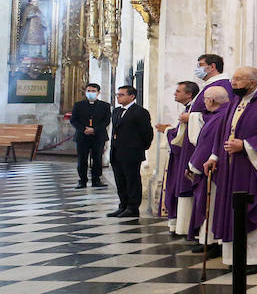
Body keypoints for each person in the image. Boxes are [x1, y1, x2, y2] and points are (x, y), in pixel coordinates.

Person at [199, 67, 257, 271]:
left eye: (237, 80)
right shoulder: (237, 101)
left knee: (253, 210)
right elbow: (224, 131)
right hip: (231, 166)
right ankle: (236, 257)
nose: (233, 83)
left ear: (252, 82)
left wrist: (245, 145)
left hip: (255, 167)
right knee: (233, 210)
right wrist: (214, 155)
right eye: (233, 79)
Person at [173, 54, 234, 239]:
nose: (197, 68)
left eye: (200, 65)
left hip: (206, 148)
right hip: (199, 144)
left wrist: (190, 117)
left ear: (212, 67)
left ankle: (207, 236)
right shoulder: (209, 86)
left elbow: (219, 116)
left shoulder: (222, 86)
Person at [184, 86, 231, 254]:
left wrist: (193, 166)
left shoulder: (218, 118)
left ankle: (212, 241)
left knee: (210, 205)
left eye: (205, 100)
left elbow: (207, 145)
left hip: (212, 170)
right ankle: (208, 240)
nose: (204, 103)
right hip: (213, 167)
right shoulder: (220, 115)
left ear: (211, 101)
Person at [107, 85, 154, 218]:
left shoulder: (140, 112)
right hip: (116, 152)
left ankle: (133, 207)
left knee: (132, 181)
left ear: (132, 96)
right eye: (118, 94)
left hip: (132, 153)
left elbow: (147, 133)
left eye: (122, 94)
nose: (118, 97)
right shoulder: (116, 111)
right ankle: (123, 205)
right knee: (120, 181)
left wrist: (140, 147)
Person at [155, 81, 198, 228]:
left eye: (178, 91)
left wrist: (167, 130)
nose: (175, 93)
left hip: (187, 156)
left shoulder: (194, 110)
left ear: (189, 94)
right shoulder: (188, 109)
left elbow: (185, 137)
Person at [70, 82, 111, 189]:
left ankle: (96, 179)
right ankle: (82, 180)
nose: (91, 93)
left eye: (93, 91)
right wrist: (84, 129)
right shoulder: (78, 105)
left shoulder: (105, 106)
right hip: (82, 136)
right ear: (85, 92)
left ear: (98, 93)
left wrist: (94, 130)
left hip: (98, 136)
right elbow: (73, 120)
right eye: (89, 91)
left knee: (97, 159)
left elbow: (106, 121)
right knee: (82, 159)